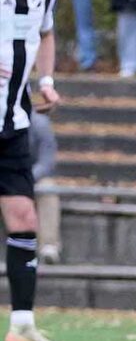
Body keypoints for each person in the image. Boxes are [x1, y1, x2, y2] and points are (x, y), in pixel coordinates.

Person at [0, 0, 67, 341]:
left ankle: (21, 324)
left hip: (12, 123)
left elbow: (45, 33)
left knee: (24, 218)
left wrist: (45, 80)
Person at [29, 109, 59, 264]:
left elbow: (46, 162)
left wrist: (25, 178)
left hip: (32, 179)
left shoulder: (39, 124)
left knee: (47, 187)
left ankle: (48, 245)